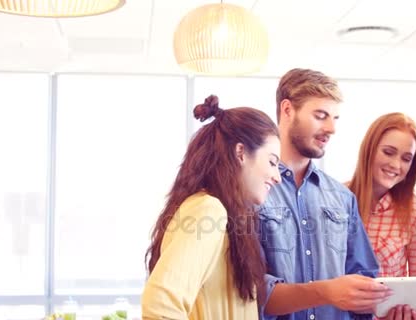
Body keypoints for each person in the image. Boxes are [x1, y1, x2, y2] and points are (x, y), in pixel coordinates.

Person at [258, 68, 391, 320]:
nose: (331, 128)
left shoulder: (342, 197)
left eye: (335, 118)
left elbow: (363, 275)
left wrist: (384, 303)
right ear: (287, 110)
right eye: (321, 116)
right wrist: (325, 292)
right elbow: (250, 289)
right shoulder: (253, 192)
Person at [141, 95, 281, 320]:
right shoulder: (208, 209)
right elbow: (160, 305)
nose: (277, 177)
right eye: (272, 162)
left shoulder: (223, 214)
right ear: (240, 153)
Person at [348, 112, 416, 320]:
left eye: (406, 158)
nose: (396, 165)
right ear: (369, 150)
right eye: (388, 152)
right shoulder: (335, 201)